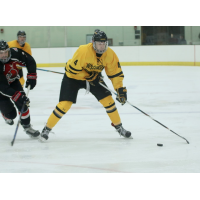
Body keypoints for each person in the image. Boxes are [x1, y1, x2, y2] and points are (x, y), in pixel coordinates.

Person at [40, 30, 131, 141]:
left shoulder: (110, 54)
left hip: (93, 78)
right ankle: (47, 129)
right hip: (73, 78)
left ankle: (119, 127)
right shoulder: (83, 51)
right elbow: (72, 70)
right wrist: (89, 75)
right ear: (93, 43)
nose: (102, 46)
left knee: (109, 101)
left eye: (104, 43)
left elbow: (115, 73)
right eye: (99, 43)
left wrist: (119, 89)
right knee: (64, 105)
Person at [0, 40, 40, 138]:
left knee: (23, 104)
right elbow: (3, 87)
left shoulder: (15, 52)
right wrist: (17, 96)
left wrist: (32, 76)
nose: (4, 55)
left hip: (13, 82)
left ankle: (27, 127)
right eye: (1, 53)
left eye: (6, 52)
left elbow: (30, 60)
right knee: (11, 115)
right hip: (1, 89)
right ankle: (5, 114)